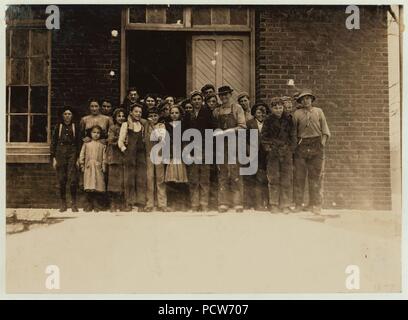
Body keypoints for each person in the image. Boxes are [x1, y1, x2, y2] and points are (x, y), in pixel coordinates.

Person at [292, 90, 330, 215]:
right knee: (299, 177)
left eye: (308, 98)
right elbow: (293, 132)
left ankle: (315, 205)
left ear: (311, 100)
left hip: (316, 145)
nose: (305, 101)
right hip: (301, 145)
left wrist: (321, 144)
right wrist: (296, 146)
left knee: (315, 177)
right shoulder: (296, 114)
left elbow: (325, 130)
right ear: (300, 101)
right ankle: (298, 204)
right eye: (303, 99)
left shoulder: (319, 111)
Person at [213, 85, 246, 213]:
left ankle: (237, 203)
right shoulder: (216, 111)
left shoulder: (237, 108)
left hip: (234, 144)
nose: (224, 97)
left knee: (235, 173)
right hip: (221, 146)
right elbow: (214, 128)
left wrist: (226, 132)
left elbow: (242, 127)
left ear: (230, 95)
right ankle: (223, 203)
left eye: (226, 94)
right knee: (222, 173)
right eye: (221, 95)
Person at [261, 97, 296, 214]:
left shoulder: (288, 119)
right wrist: (269, 148)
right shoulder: (268, 120)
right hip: (273, 153)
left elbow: (293, 136)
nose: (278, 110)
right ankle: (274, 203)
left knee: (286, 179)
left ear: (283, 108)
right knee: (273, 178)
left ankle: (285, 204)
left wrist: (290, 149)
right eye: (275, 108)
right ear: (271, 109)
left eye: (280, 107)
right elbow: (264, 137)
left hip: (286, 152)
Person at [184, 90, 214, 212]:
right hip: (192, 150)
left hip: (205, 149)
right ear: (191, 101)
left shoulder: (207, 113)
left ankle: (204, 203)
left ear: (202, 101)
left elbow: (212, 131)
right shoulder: (187, 116)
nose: (197, 102)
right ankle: (195, 204)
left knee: (204, 178)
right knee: (193, 178)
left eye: (199, 99)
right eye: (194, 99)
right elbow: (184, 134)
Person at [118, 103, 148, 212]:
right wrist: (125, 151)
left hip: (140, 155)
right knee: (129, 179)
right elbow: (120, 142)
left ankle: (141, 203)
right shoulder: (125, 125)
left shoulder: (142, 126)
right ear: (131, 112)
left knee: (141, 179)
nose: (138, 114)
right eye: (136, 111)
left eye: (140, 112)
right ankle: (128, 203)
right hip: (129, 155)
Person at [50, 108, 80, 212]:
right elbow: (53, 142)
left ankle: (73, 203)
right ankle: (63, 204)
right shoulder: (59, 126)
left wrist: (78, 158)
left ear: (72, 116)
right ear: (62, 115)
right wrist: (53, 158)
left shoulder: (75, 126)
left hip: (72, 152)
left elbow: (78, 142)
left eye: (69, 114)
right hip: (60, 152)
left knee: (72, 179)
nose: (67, 116)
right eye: (65, 114)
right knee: (61, 179)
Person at [164, 105, 190, 211]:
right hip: (171, 154)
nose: (174, 115)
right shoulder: (166, 125)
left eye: (176, 113)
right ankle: (172, 204)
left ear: (180, 114)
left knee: (181, 179)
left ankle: (183, 204)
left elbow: (186, 140)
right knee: (171, 179)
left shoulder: (183, 125)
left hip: (180, 154)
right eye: (172, 113)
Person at [145, 107, 170, 212]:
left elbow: (160, 138)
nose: (153, 118)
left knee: (160, 179)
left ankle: (162, 203)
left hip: (159, 155)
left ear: (159, 116)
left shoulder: (161, 126)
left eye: (155, 115)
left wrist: (152, 125)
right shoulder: (145, 126)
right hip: (148, 154)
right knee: (149, 179)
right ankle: (149, 203)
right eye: (151, 116)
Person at [244, 103, 268, 211]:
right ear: (254, 113)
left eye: (263, 112)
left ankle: (261, 203)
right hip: (252, 154)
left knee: (262, 179)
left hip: (265, 155)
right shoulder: (249, 124)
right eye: (258, 112)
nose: (261, 115)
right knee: (250, 178)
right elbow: (244, 140)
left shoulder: (268, 124)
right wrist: (249, 152)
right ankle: (250, 203)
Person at [79, 125, 107, 212]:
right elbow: (82, 155)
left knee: (98, 186)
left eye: (98, 133)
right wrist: (82, 165)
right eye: (94, 132)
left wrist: (103, 166)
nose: (96, 134)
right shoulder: (86, 144)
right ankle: (88, 205)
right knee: (89, 186)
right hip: (89, 167)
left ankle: (97, 205)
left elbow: (104, 157)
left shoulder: (102, 145)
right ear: (90, 133)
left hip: (98, 167)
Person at [106, 108, 126, 212]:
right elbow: (110, 140)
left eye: (123, 116)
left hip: (124, 156)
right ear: (115, 117)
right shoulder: (113, 128)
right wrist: (120, 141)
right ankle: (113, 203)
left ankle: (121, 202)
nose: (121, 118)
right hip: (114, 156)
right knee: (113, 181)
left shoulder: (127, 127)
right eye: (119, 116)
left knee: (122, 180)